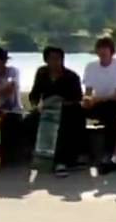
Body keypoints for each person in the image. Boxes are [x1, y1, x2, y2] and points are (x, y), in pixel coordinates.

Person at [26, 45, 85, 173]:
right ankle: (39, 155)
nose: (56, 62)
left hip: (66, 109)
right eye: (52, 59)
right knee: (29, 120)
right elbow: (34, 95)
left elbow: (78, 98)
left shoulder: (71, 76)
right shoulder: (42, 73)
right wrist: (36, 105)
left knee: (66, 123)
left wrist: (60, 103)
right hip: (47, 108)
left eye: (58, 59)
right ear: (46, 60)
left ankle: (62, 160)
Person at [82, 36, 116, 161]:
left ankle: (110, 153)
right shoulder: (91, 66)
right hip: (98, 103)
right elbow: (88, 92)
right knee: (74, 111)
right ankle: (80, 151)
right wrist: (87, 100)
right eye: (100, 48)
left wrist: (96, 99)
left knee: (109, 110)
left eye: (105, 49)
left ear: (111, 51)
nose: (102, 52)